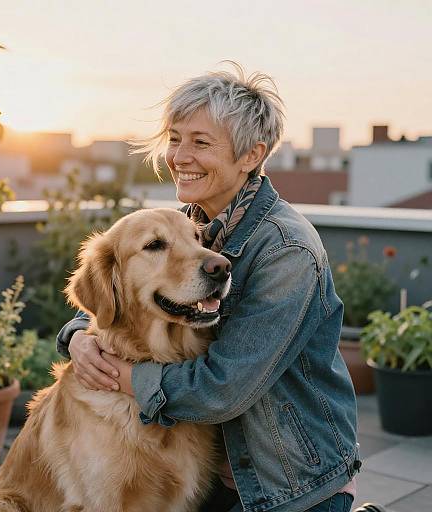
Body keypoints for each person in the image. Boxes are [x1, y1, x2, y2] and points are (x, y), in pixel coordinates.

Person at [56, 63, 359, 512]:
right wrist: (78, 335)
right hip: (214, 469)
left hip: (288, 484)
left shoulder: (287, 251)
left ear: (251, 156)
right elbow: (125, 290)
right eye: (175, 139)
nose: (179, 156)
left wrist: (120, 377)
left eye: (200, 142)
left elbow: (223, 389)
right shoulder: (191, 223)